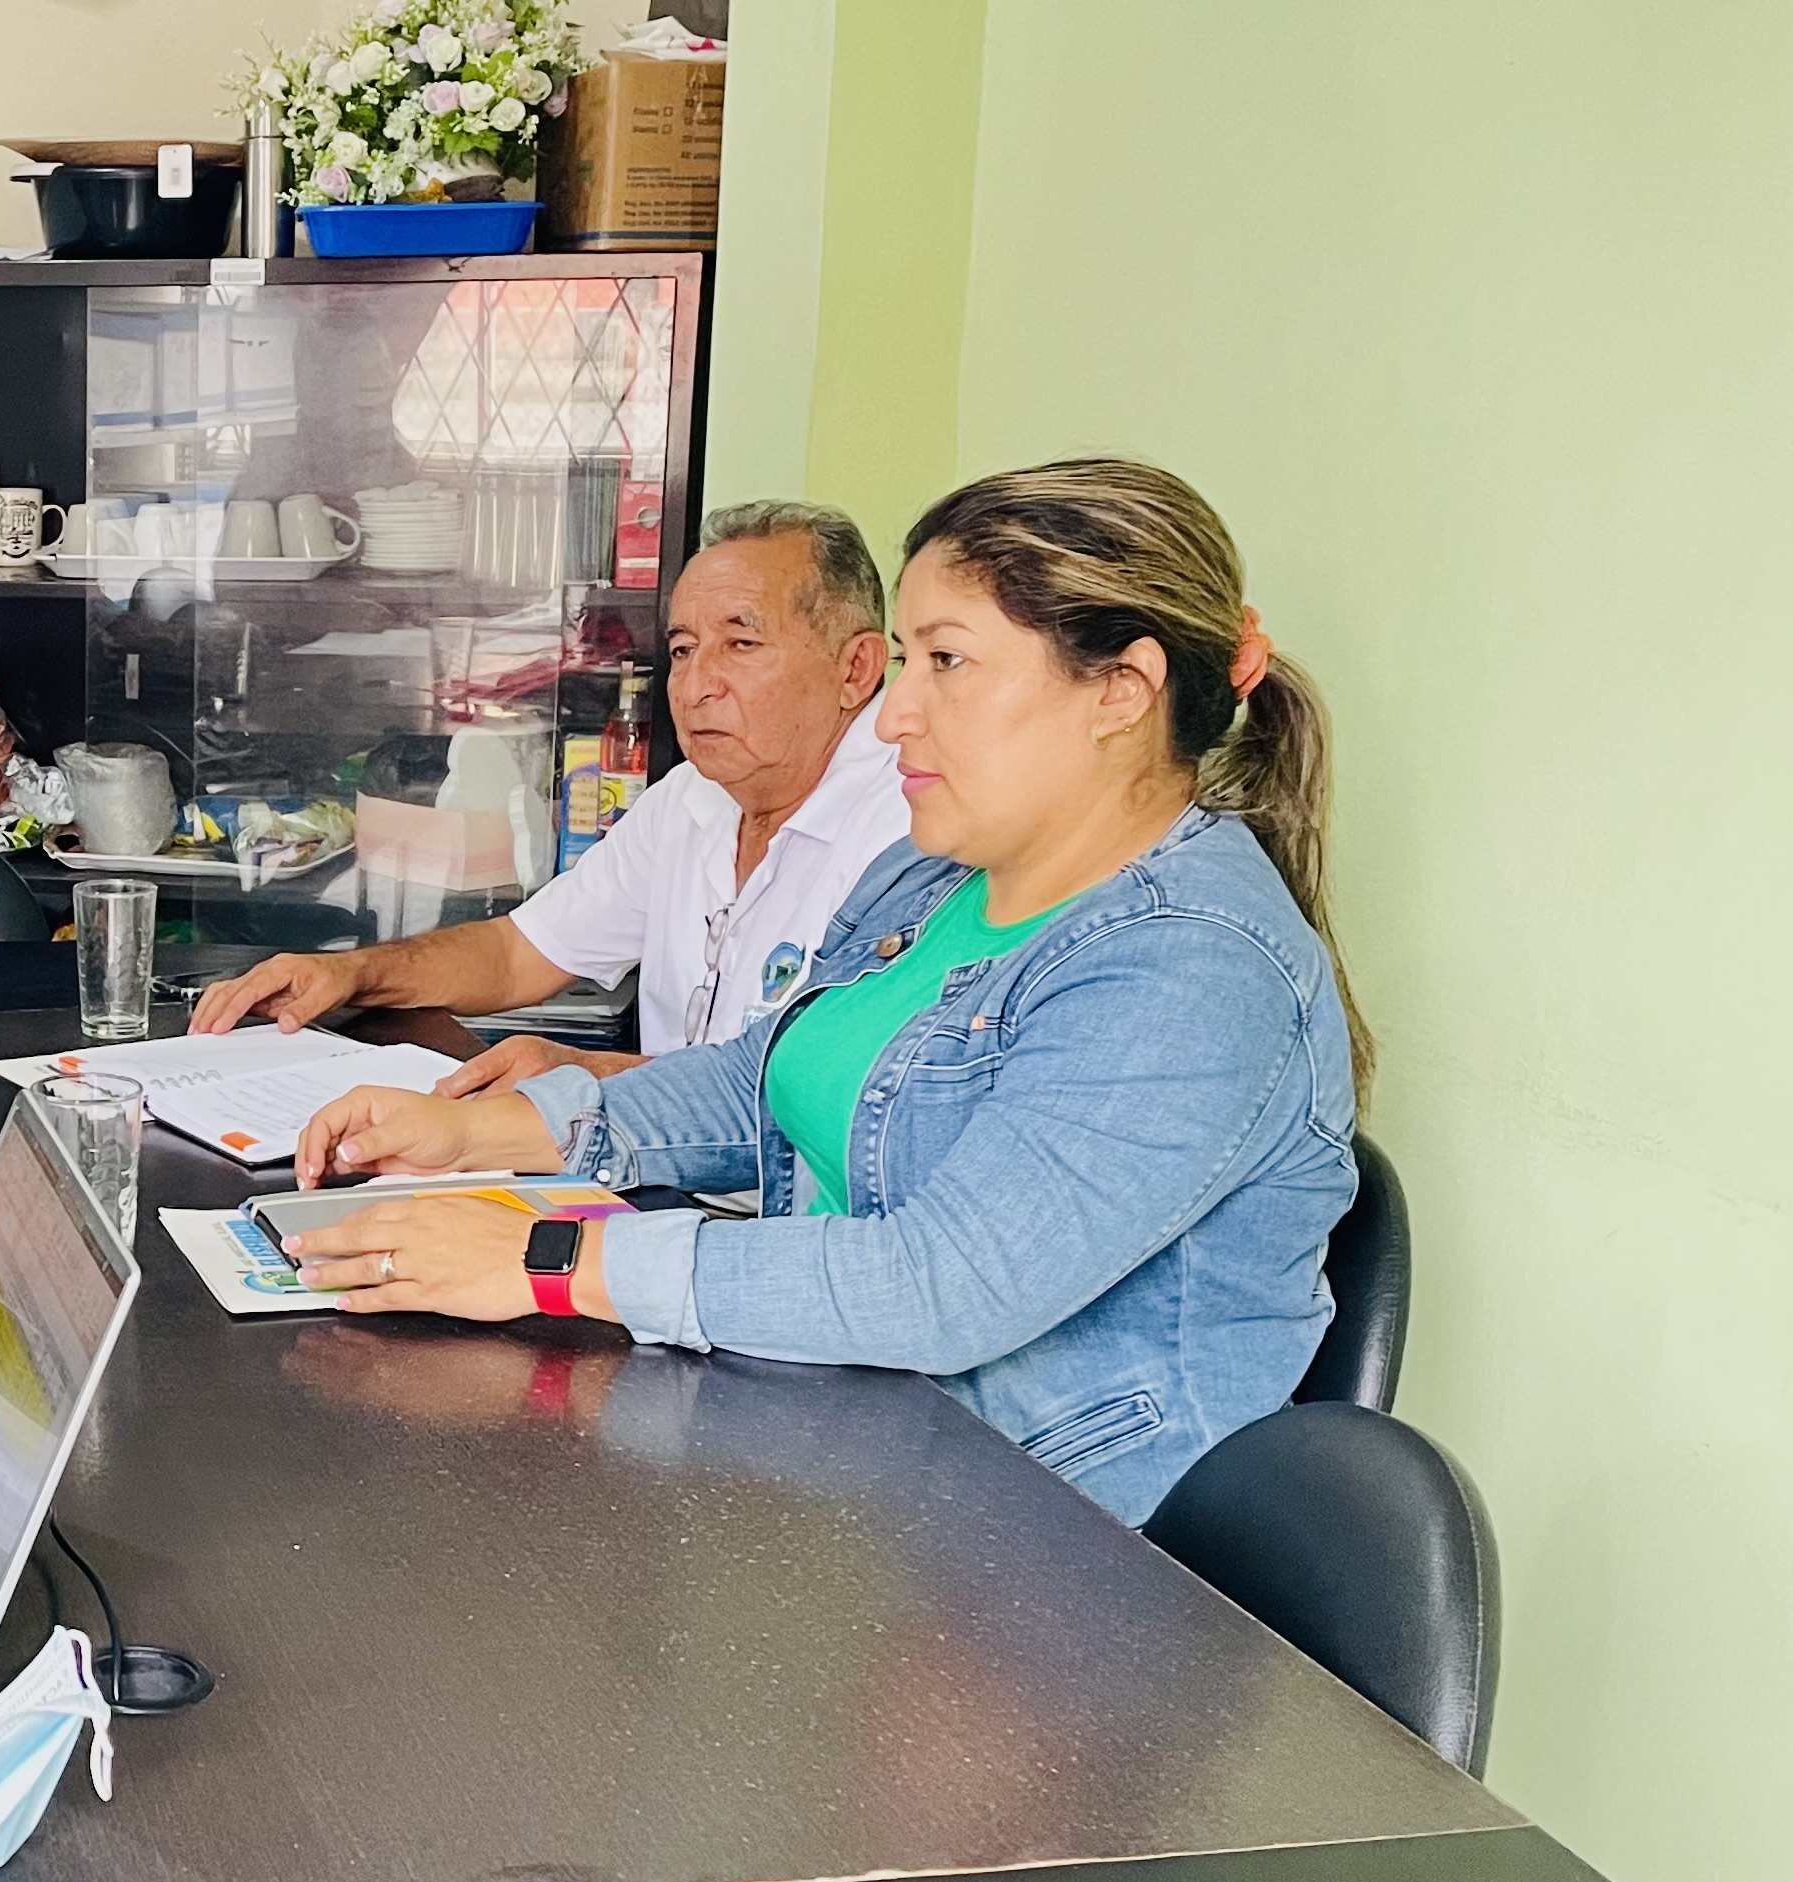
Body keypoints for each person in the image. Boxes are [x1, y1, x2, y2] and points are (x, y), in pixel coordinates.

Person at [277, 460, 1363, 1524]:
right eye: (908, 661)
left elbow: (944, 1285)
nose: (894, 716)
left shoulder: (1192, 965)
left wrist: (542, 1258)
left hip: (1043, 1542)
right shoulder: (937, 877)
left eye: (948, 661)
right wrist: (483, 1132)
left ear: (1121, 691)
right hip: (843, 1440)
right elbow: (764, 1082)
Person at [189, 501, 907, 1097]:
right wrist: (349, 974)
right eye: (684, 649)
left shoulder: (905, 834)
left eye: (741, 645)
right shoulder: (693, 798)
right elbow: (519, 953)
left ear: (855, 669)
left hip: (782, 1210)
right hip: (647, 1175)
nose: (695, 686)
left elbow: (829, 1099)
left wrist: (590, 1076)